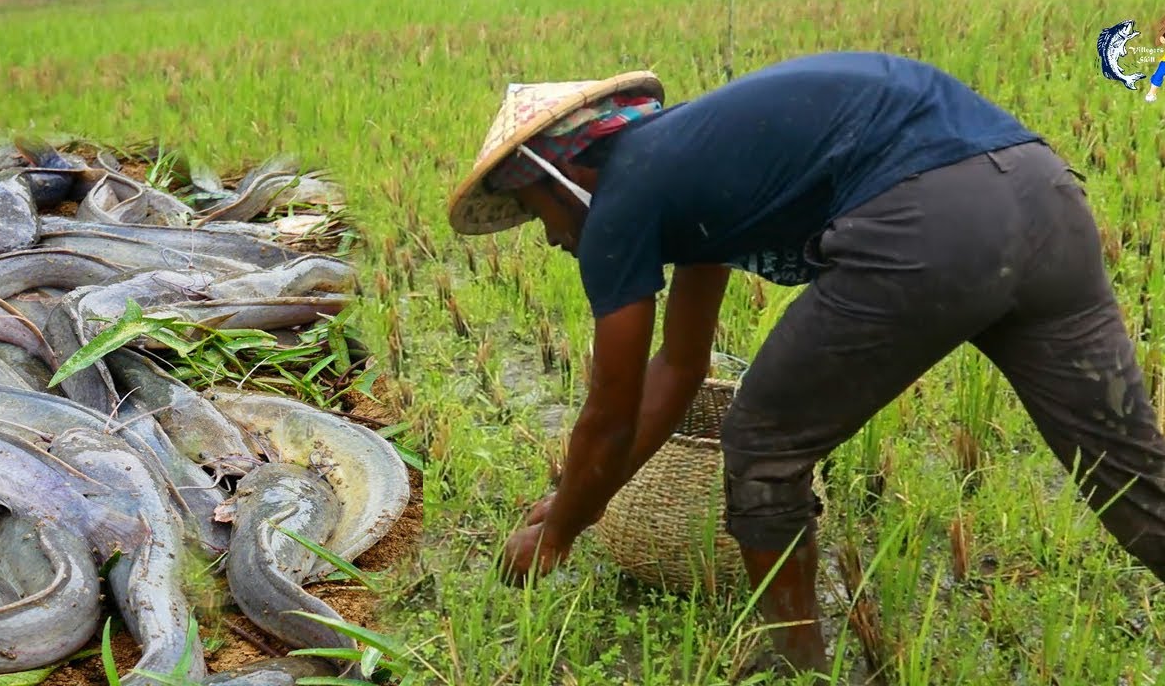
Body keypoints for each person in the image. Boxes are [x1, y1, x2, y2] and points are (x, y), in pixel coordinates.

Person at [445, 51, 1165, 674]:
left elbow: (609, 409)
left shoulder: (621, 203)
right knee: (1131, 477)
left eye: (536, 212)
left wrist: (560, 531)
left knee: (763, 445)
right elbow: (682, 367)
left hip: (932, 222)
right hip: (1043, 193)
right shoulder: (690, 165)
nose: (546, 237)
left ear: (561, 172)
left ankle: (793, 667)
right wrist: (585, 498)